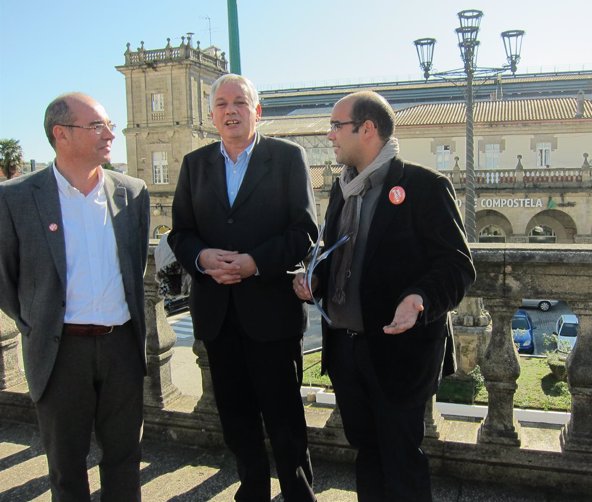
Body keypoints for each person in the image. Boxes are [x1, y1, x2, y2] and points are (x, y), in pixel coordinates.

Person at [293, 91, 476, 502]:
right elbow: (333, 252)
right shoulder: (342, 189)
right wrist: (315, 279)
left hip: (400, 353)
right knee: (367, 454)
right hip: (346, 350)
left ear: (368, 129)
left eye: (336, 126)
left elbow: (458, 266)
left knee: (402, 461)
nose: (330, 136)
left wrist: (418, 298)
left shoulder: (424, 186)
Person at [168, 74, 318, 502]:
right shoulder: (194, 165)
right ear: (212, 113)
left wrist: (255, 263)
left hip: (270, 312)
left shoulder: (288, 157)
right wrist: (202, 259)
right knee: (235, 417)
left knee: (285, 418)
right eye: (220, 103)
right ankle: (251, 490)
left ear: (257, 111)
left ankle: (298, 494)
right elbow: (180, 233)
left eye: (239, 102)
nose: (229, 110)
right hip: (218, 313)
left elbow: (304, 230)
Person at [0, 93, 150, 501]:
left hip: (121, 346)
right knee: (66, 468)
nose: (110, 134)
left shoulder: (132, 193)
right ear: (60, 134)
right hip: (59, 351)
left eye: (110, 125)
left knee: (124, 458)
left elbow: (134, 267)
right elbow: (6, 279)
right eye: (97, 126)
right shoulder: (15, 198)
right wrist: (35, 321)